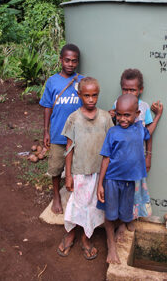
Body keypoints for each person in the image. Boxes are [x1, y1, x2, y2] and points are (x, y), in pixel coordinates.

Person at [57, 77, 113, 259]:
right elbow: (69, 148)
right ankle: (71, 233)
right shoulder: (73, 119)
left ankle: (85, 237)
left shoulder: (105, 118)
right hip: (79, 172)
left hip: (98, 172)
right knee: (77, 204)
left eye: (94, 95)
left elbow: (110, 146)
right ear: (79, 95)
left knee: (92, 206)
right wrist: (68, 175)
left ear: (98, 95)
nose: (91, 99)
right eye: (86, 95)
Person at [97, 94, 151, 264]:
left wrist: (158, 117)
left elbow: (150, 132)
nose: (122, 118)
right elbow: (105, 158)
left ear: (137, 113)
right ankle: (110, 244)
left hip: (129, 181)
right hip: (112, 180)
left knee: (125, 210)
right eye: (119, 114)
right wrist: (100, 184)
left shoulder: (140, 129)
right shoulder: (113, 132)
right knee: (110, 214)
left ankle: (122, 226)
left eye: (127, 115)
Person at [109, 68, 163, 228]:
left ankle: (130, 219)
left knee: (134, 191)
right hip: (119, 159)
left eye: (132, 89)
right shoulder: (117, 104)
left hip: (136, 159)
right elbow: (113, 130)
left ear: (140, 90)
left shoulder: (144, 107)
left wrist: (149, 155)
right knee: (120, 191)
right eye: (125, 89)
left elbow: (147, 133)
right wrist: (111, 116)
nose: (129, 92)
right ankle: (120, 221)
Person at [40, 43, 83, 214]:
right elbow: (47, 106)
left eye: (74, 61)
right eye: (67, 60)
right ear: (61, 60)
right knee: (56, 167)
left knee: (77, 168)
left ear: (77, 62)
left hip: (78, 136)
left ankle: (75, 197)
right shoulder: (53, 81)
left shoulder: (82, 81)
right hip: (58, 134)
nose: (70, 64)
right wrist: (46, 130)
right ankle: (56, 195)